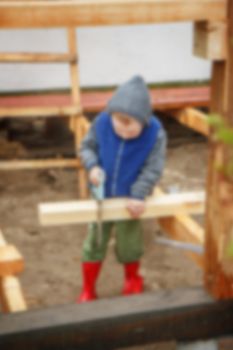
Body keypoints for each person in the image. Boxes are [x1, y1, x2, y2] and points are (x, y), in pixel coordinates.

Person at [77, 75, 167, 303]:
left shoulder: (155, 133)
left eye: (131, 125)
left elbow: (153, 168)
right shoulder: (101, 122)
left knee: (130, 242)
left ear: (144, 121)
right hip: (101, 197)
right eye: (120, 122)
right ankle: (88, 288)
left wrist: (139, 194)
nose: (124, 130)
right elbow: (86, 147)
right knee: (95, 241)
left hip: (130, 200)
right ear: (112, 114)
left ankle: (132, 280)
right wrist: (92, 166)